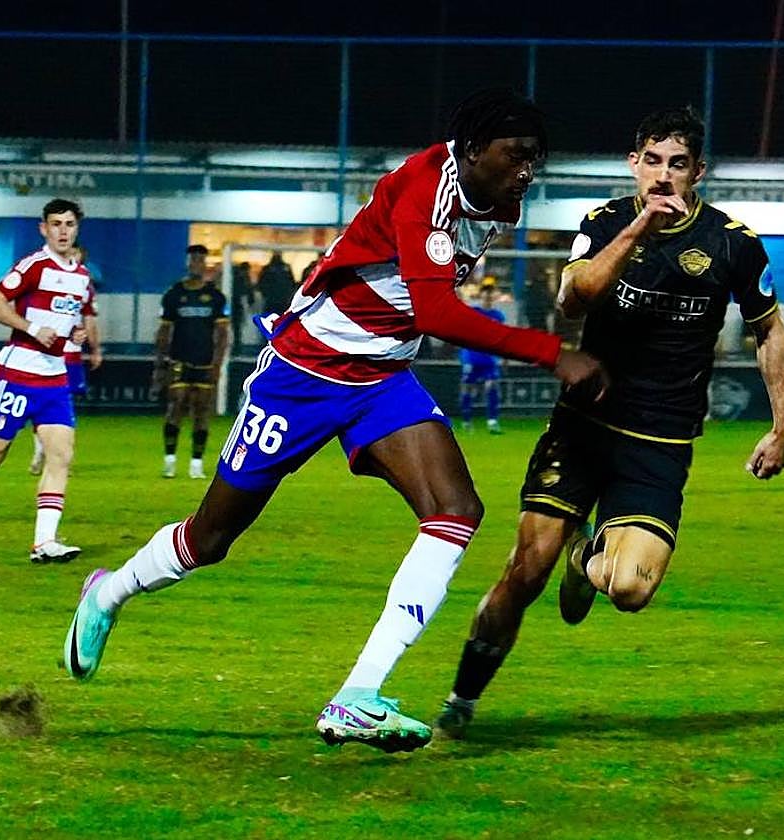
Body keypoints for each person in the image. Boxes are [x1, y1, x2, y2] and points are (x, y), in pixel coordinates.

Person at [60, 88, 605, 754]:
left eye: (534, 158)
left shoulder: (497, 200)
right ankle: (109, 593)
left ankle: (359, 695)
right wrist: (553, 353)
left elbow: (421, 296)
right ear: (471, 149)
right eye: (515, 154)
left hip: (382, 380)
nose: (527, 170)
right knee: (211, 537)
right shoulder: (425, 188)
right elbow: (435, 313)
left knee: (456, 509)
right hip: (304, 372)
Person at [434, 106, 784, 738]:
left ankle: (588, 557)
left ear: (698, 172)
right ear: (634, 164)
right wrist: (638, 230)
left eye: (677, 164)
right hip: (584, 428)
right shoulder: (604, 224)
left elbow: (769, 330)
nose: (663, 175)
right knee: (526, 572)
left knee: (630, 590)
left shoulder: (733, 243)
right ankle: (461, 700)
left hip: (661, 442)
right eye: (652, 161)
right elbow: (573, 299)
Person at [0, 198, 99, 562]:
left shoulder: (82, 277)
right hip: (18, 374)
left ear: (77, 229)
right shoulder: (34, 265)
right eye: (56, 224)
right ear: (44, 229)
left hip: (54, 381)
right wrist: (32, 328)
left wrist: (75, 336)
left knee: (61, 456)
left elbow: (66, 322)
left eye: (69, 224)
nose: (63, 231)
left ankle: (44, 543)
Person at [151, 244, 230, 479]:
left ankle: (196, 463)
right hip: (179, 360)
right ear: (187, 263)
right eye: (193, 259)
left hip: (205, 362)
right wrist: (160, 363)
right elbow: (164, 332)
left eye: (200, 259)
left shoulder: (216, 297)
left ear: (205, 264)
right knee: (175, 405)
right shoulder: (174, 295)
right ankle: (170, 460)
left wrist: (217, 365)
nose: (196, 263)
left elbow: (223, 335)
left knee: (202, 410)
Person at [29, 242, 103, 475]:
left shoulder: (84, 284)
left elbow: (89, 320)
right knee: (43, 402)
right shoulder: (45, 276)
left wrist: (95, 349)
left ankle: (55, 455)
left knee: (63, 404)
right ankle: (42, 450)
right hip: (45, 350)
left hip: (70, 354)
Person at [458, 278, 505, 433]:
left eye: (491, 292)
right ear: (481, 294)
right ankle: (466, 420)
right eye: (485, 291)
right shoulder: (474, 312)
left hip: (489, 359)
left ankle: (492, 421)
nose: (488, 295)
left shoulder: (498, 315)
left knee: (492, 387)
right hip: (472, 357)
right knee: (468, 389)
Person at [257, 251, 296, 316]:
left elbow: (261, 283)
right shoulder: (285, 268)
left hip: (274, 299)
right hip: (279, 299)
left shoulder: (268, 268)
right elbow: (291, 283)